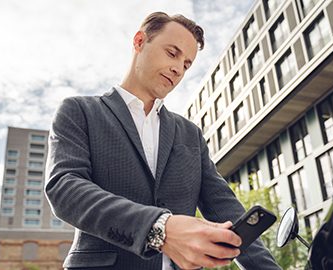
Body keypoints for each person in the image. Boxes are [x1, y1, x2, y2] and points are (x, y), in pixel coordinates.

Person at [45, 11, 281, 270]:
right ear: (139, 42)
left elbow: (227, 209)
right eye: (172, 53)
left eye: (187, 64)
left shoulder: (190, 134)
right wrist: (160, 227)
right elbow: (64, 187)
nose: (178, 68)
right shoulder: (79, 111)